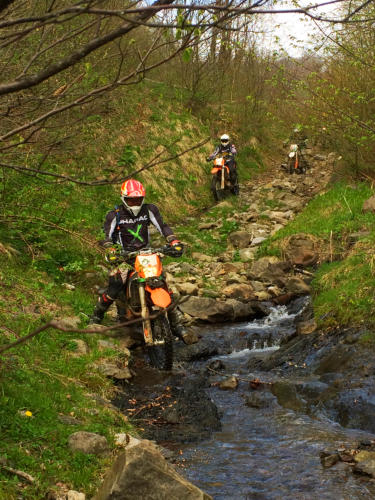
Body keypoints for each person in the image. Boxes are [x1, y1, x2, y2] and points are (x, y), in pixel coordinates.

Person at [89, 179, 189, 343]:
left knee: (161, 282)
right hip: (124, 257)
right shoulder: (115, 214)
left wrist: (173, 242)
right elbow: (105, 236)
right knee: (116, 285)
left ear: (143, 198)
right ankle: (97, 316)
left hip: (146, 255)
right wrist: (110, 249)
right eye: (131, 200)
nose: (135, 203)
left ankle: (176, 324)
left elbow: (163, 226)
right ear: (123, 198)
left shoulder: (149, 209)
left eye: (138, 199)